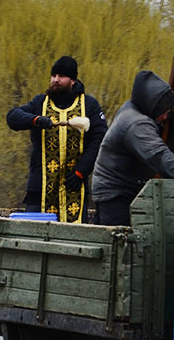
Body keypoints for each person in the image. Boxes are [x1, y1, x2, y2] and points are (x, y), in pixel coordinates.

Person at [90, 70, 174, 226]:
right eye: (164, 112)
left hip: (122, 187)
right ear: (152, 106)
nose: (166, 117)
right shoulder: (136, 124)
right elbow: (157, 155)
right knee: (119, 242)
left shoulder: (136, 107)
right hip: (116, 192)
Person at [6, 55, 108, 222]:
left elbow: (100, 140)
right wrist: (36, 120)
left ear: (73, 80)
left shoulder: (89, 105)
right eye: (53, 76)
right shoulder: (40, 103)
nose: (56, 80)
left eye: (61, 76)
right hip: (39, 188)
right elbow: (13, 117)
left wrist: (81, 171)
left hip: (73, 185)